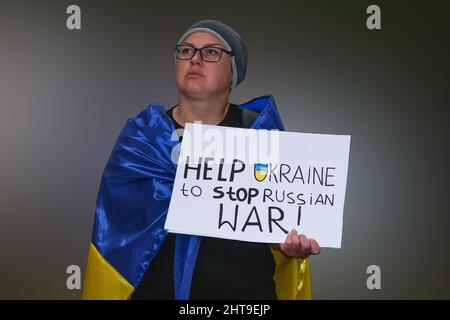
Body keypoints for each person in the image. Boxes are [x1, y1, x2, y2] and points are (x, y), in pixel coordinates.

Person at [82, 19, 320, 300]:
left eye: (210, 52)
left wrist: (288, 245)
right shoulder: (142, 138)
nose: (194, 58)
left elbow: (277, 218)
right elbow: (116, 229)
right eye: (186, 51)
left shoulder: (262, 134)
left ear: (233, 71)